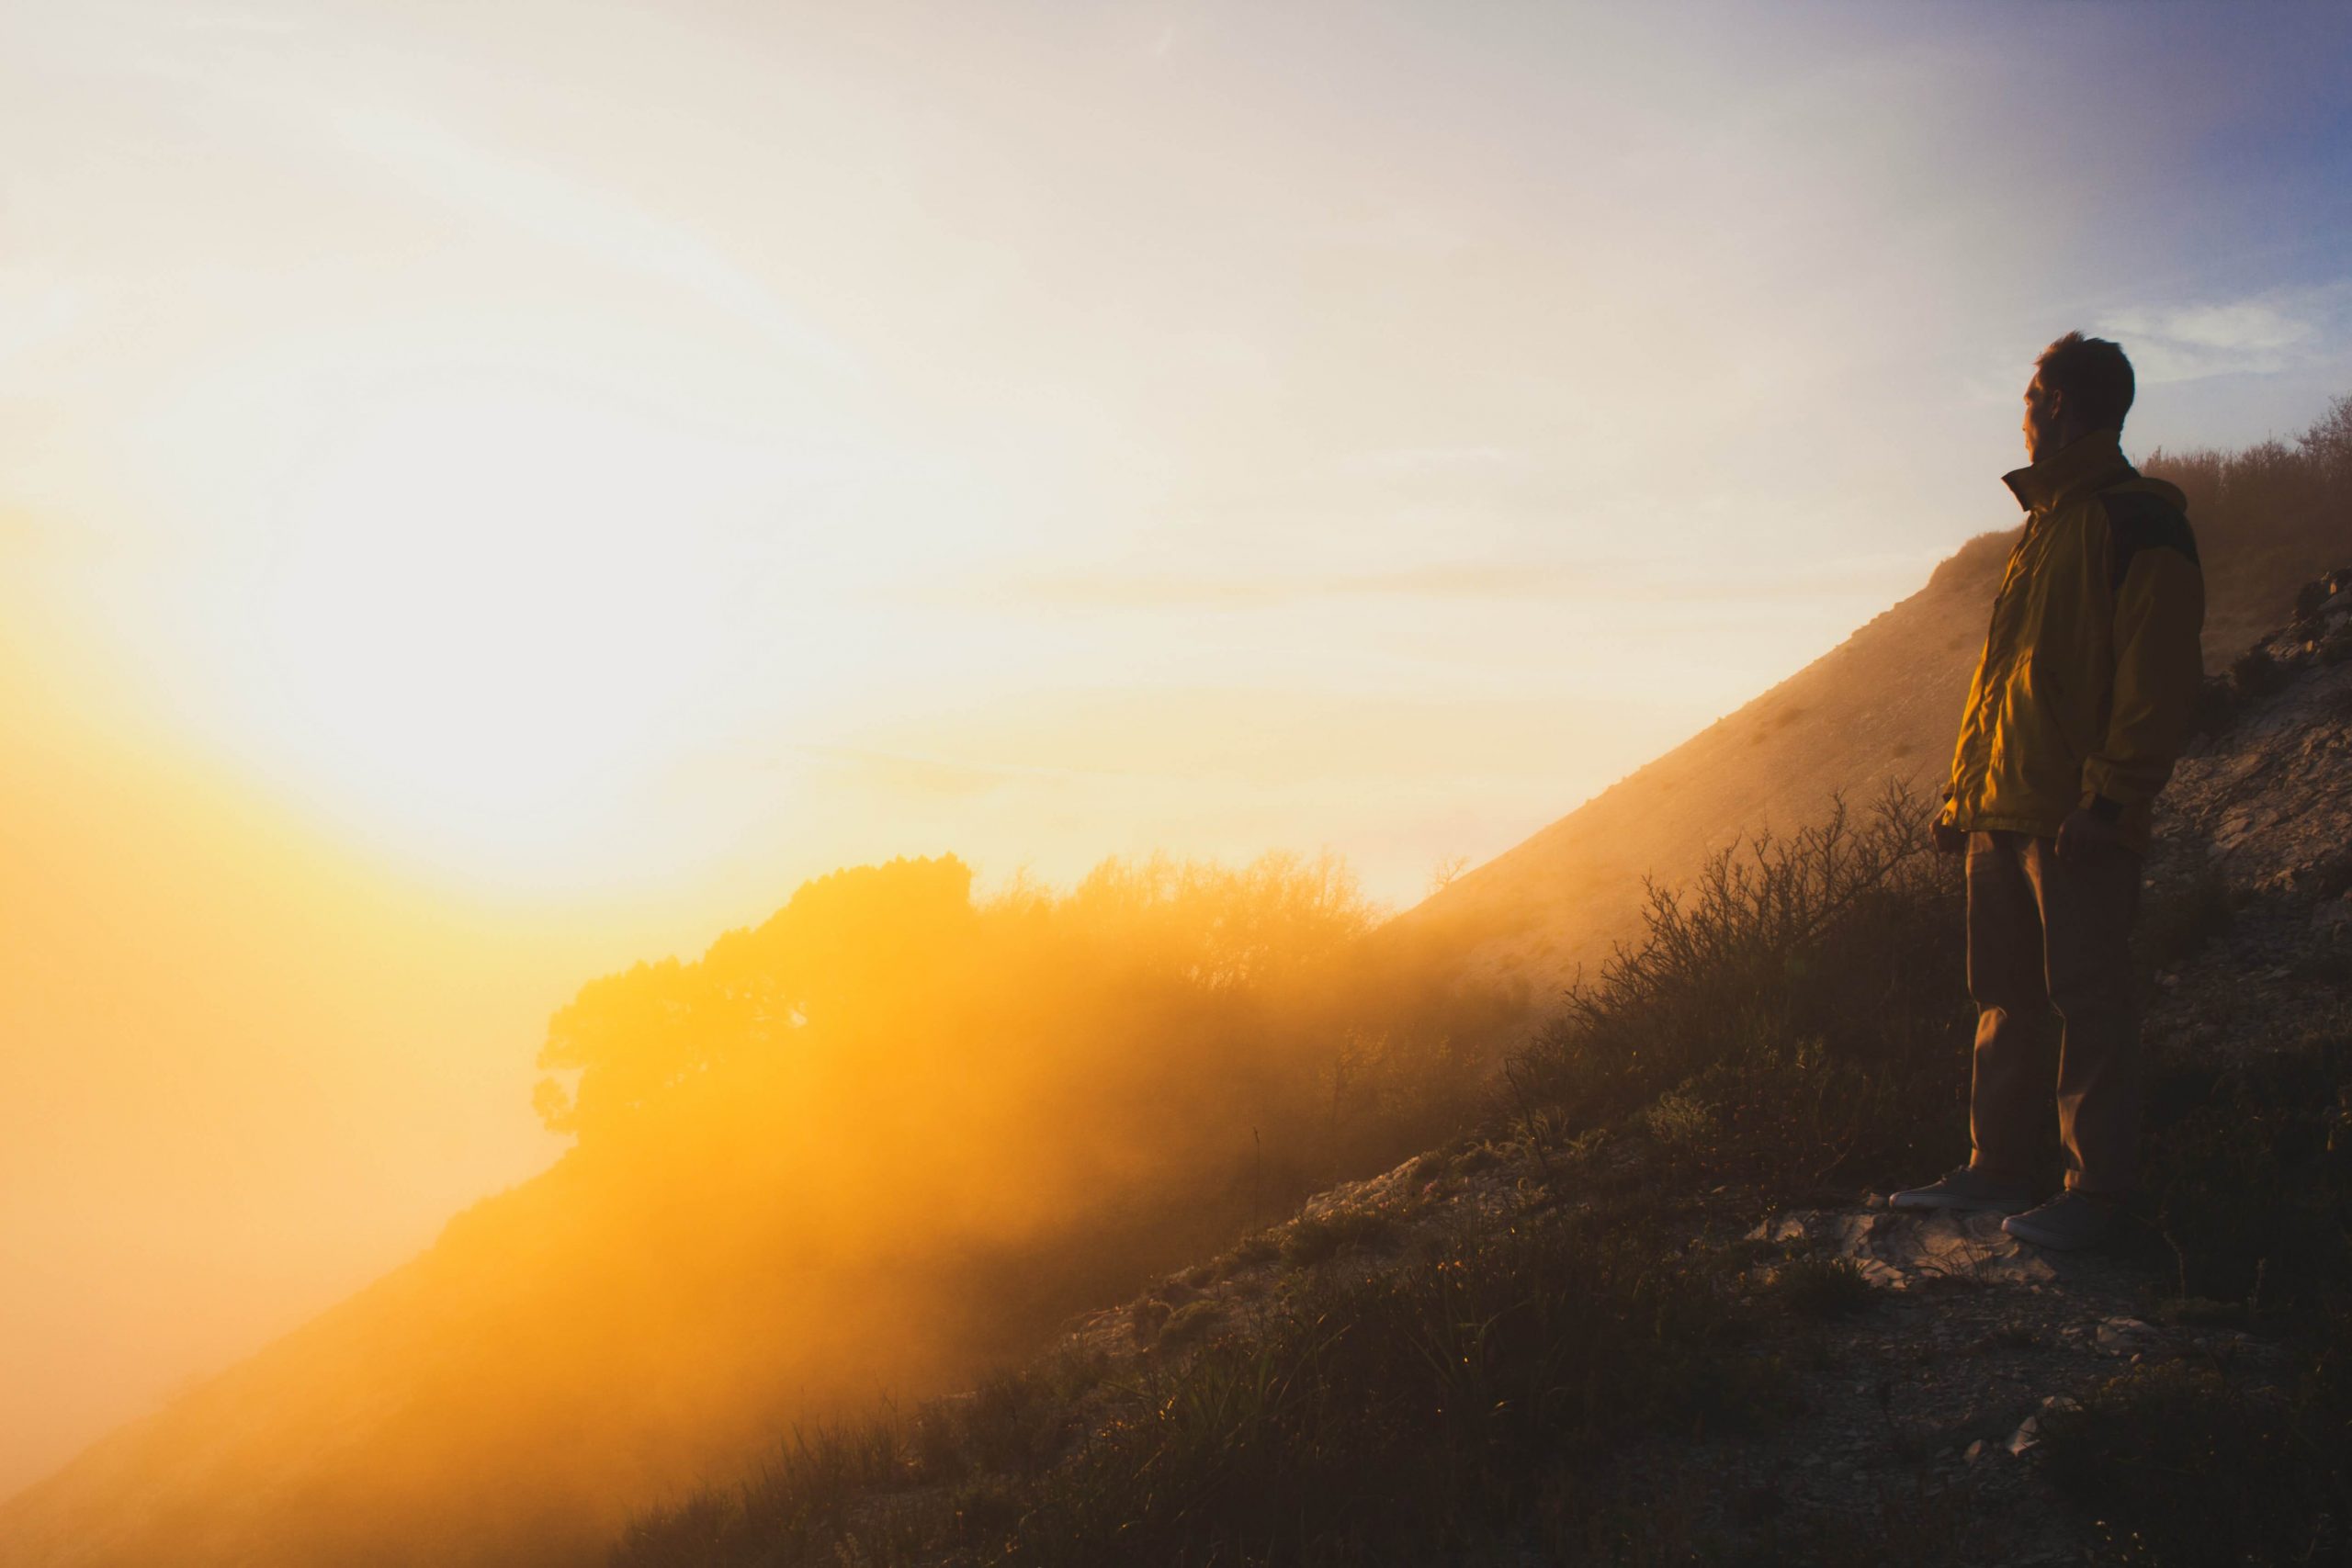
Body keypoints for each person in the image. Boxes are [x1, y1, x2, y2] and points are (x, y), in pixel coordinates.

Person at [1890, 333, 2205, 1250]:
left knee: (2089, 1000)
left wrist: (2110, 799)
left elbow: (2159, 677)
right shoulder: (2044, 529)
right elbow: (2006, 680)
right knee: (2004, 999)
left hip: (2077, 819)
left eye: (2030, 397)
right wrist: (1962, 797)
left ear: (2061, 404)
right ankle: (1998, 1172)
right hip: (2002, 810)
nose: (2021, 415)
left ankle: (2097, 1198)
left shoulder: (2138, 520)